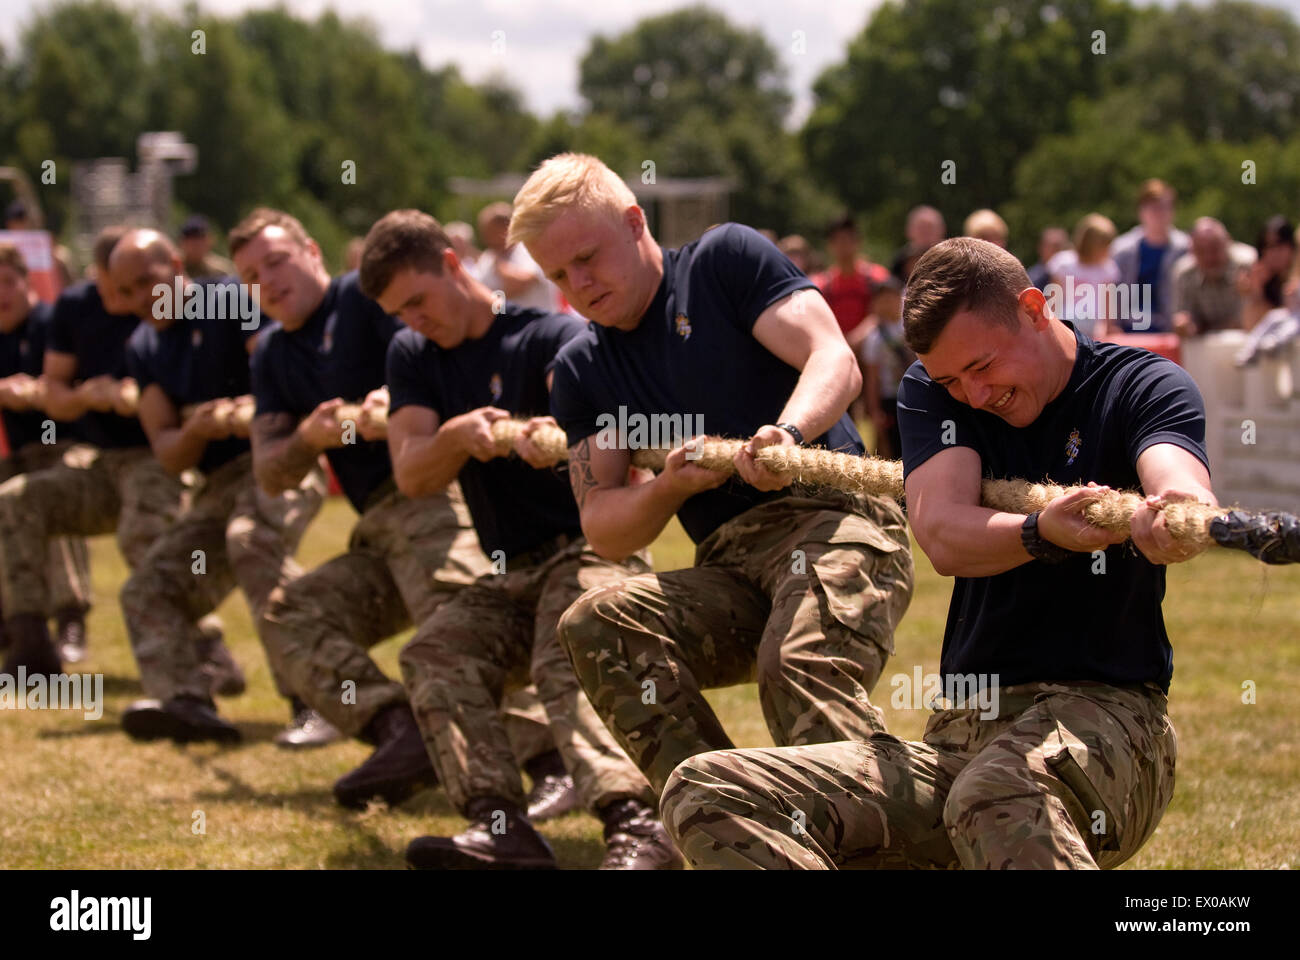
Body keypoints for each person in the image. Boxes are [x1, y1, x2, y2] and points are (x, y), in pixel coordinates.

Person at [661, 237, 1214, 870]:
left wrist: (1173, 513)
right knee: (706, 789)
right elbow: (944, 534)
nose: (973, 395)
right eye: (953, 379)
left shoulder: (1139, 385)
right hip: (962, 736)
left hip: (1108, 720)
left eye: (982, 367)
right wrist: (1041, 532)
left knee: (997, 794)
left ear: (1034, 309)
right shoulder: (933, 391)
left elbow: (1179, 484)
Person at [510, 153, 915, 800]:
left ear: (634, 222)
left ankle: (896, 823)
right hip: (732, 565)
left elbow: (832, 358)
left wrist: (787, 435)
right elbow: (605, 527)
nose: (578, 284)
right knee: (596, 624)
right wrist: (668, 486)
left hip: (836, 523)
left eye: (587, 257)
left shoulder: (722, 262)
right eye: (558, 274)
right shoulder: (583, 369)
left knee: (797, 665)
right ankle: (727, 810)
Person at [361, 208, 679, 869]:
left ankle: (637, 823)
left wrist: (558, 440)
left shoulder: (549, 338)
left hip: (590, 549)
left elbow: (616, 442)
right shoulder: (413, 355)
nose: (414, 320)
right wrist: (455, 437)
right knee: (435, 653)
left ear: (452, 264)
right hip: (511, 570)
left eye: (418, 300)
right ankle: (501, 827)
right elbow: (412, 473)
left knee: (567, 646)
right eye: (399, 312)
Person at [233, 207, 558, 808]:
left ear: (311, 251)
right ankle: (402, 731)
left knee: (456, 614)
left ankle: (549, 760)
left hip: (436, 498)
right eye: (251, 277)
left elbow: (430, 359)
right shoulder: (272, 352)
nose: (268, 281)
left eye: (276, 261)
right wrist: (307, 437)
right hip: (377, 525)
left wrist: (392, 403)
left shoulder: (365, 301)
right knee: (291, 615)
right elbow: (271, 473)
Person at [108, 229, 326, 744]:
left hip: (278, 460)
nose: (139, 298)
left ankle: (316, 699)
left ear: (176, 265)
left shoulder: (229, 300)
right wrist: (198, 429)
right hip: (218, 483)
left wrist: (249, 411)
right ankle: (187, 700)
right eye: (126, 291)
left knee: (253, 543)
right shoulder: (142, 346)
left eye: (146, 282)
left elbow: (278, 374)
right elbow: (168, 451)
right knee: (149, 587)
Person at [0, 226, 199, 678]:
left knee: (142, 531)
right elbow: (55, 393)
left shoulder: (172, 314)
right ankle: (30, 645)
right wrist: (85, 396)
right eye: (113, 289)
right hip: (99, 460)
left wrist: (134, 397)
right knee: (15, 501)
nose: (122, 300)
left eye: (131, 288)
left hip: (154, 459)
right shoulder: (76, 308)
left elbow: (184, 405)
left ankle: (202, 648)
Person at [0, 243, 92, 660]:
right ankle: (14, 622)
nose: (2, 294)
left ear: (27, 282)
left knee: (48, 493)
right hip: (16, 455)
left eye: (8, 282)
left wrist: (36, 392)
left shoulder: (52, 322)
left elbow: (79, 386)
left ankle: (71, 617)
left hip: (63, 445)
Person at [1110, 179, 1189, 332]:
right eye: (1153, 208)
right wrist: (1112, 325)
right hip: (1127, 328)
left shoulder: (1185, 249)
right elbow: (1111, 292)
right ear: (1141, 211)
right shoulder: (1121, 250)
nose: (1159, 214)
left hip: (1171, 329)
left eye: (1164, 207)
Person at [1171, 217, 1256, 338]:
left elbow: (1257, 319)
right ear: (1191, 251)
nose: (1209, 257)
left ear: (1228, 243)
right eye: (1201, 250)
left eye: (1214, 248)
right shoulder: (1185, 274)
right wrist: (1185, 326)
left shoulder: (1248, 265)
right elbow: (1184, 318)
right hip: (1203, 347)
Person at [857, 277, 913, 459]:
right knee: (893, 446)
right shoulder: (875, 337)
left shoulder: (913, 326)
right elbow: (872, 377)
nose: (887, 303)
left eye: (891, 297)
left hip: (915, 391)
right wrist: (874, 410)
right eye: (882, 299)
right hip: (890, 397)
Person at [472, 201, 559, 313]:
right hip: (506, 322)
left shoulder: (528, 248)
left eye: (490, 231)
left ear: (506, 228)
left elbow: (522, 282)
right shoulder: (488, 258)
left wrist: (499, 268)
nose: (486, 238)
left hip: (538, 320)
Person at [813, 213, 889, 338]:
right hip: (834, 344)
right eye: (837, 240)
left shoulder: (877, 277)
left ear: (858, 241)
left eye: (847, 239)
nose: (843, 245)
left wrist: (855, 339)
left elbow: (887, 314)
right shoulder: (821, 284)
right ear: (829, 245)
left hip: (871, 346)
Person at [1047, 214, 1120, 339]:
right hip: (1065, 323)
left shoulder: (1106, 269)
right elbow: (1054, 300)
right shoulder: (1064, 263)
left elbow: (1108, 305)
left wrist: (1108, 328)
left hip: (1093, 327)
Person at [1240, 215, 1296, 331]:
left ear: (1291, 247)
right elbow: (1253, 328)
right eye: (1267, 247)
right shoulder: (1263, 281)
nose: (1273, 253)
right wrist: (1256, 291)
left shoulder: (1296, 279)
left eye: (1278, 245)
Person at [891, 204, 946, 283]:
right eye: (921, 228)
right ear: (909, 230)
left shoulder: (952, 257)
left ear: (942, 230)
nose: (925, 232)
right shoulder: (900, 261)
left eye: (930, 227)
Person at [178, 215, 236, 281]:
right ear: (181, 242)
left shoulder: (223, 270)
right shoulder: (173, 268)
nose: (196, 244)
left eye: (200, 237)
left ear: (210, 240)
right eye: (190, 238)